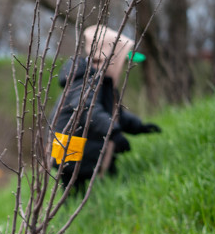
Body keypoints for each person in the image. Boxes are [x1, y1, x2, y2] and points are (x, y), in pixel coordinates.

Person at [50, 24, 161, 193]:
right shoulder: (88, 81)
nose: (123, 68)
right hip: (68, 146)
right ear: (110, 60)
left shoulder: (102, 81)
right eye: (121, 62)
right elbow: (88, 110)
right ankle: (94, 205)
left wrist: (139, 126)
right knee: (73, 188)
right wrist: (114, 133)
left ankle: (103, 197)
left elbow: (115, 114)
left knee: (90, 182)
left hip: (77, 144)